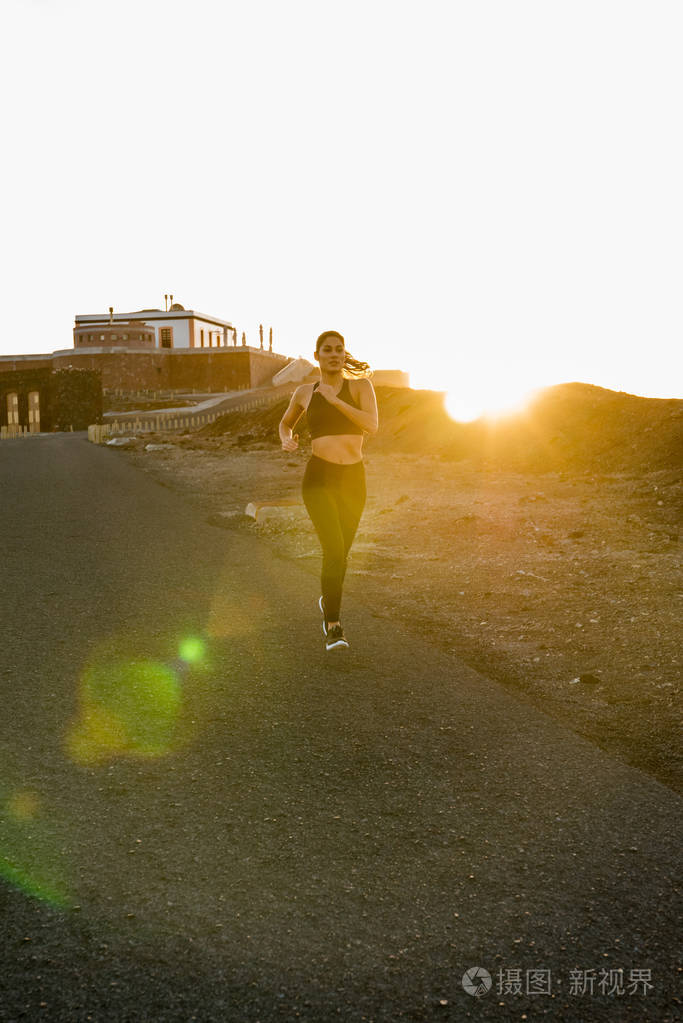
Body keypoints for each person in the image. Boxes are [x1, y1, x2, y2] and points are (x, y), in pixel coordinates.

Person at [279, 330, 378, 650]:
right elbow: (285, 423)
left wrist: (334, 399)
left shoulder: (360, 387)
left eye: (339, 349)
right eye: (328, 349)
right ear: (317, 356)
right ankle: (333, 625)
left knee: (341, 554)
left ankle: (328, 598)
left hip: (353, 480)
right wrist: (286, 438)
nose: (334, 354)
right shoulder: (304, 392)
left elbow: (371, 425)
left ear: (344, 354)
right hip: (319, 477)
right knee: (334, 550)